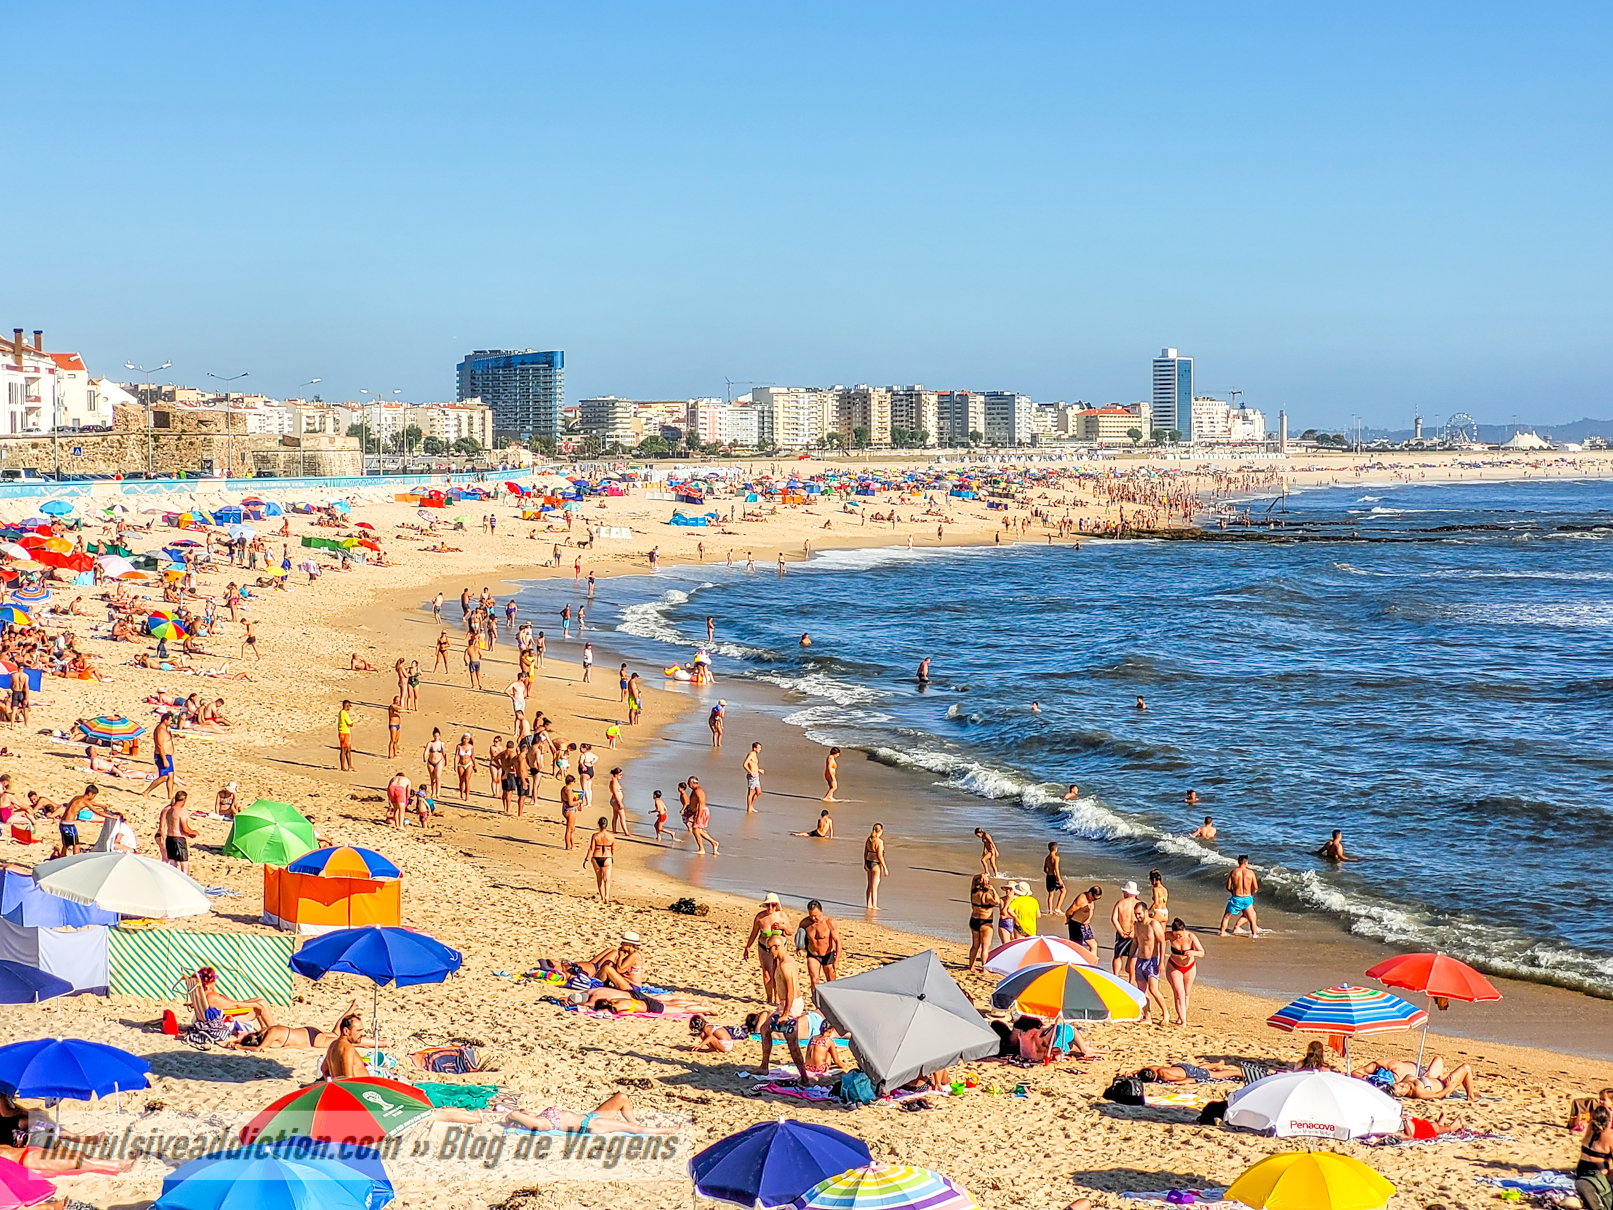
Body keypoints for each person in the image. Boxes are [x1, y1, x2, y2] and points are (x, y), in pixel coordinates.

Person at [754, 933, 811, 1083]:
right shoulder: (781, 961)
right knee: (765, 1029)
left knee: (791, 1041)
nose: (768, 952)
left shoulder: (786, 964)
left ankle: (804, 1077)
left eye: (769, 949)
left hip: (791, 1005)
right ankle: (764, 1066)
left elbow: (791, 990)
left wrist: (786, 1013)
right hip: (785, 1004)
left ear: (777, 947)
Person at [504, 1091, 675, 1137]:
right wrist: (512, 1116)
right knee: (631, 1128)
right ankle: (667, 1131)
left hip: (591, 1116)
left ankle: (636, 1123)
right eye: (523, 1113)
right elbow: (512, 1115)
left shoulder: (540, 1116)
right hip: (592, 1126)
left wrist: (524, 1113)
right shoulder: (543, 1124)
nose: (524, 1110)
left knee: (622, 1097)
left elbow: (517, 1115)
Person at [743, 892, 791, 999]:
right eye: (768, 905)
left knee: (778, 972)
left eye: (773, 905)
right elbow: (754, 933)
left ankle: (777, 996)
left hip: (779, 948)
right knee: (767, 973)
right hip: (764, 948)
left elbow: (790, 931)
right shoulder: (760, 917)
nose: (770, 907)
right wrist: (747, 947)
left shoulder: (782, 916)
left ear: (777, 905)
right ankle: (769, 997)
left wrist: (782, 926)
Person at [198, 966, 275, 1031]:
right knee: (261, 1005)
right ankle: (273, 1030)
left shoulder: (202, 994)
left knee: (261, 1001)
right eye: (214, 980)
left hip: (226, 1012)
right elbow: (236, 1005)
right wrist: (256, 1005)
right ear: (209, 983)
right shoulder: (212, 997)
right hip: (228, 1018)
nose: (215, 983)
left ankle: (264, 1028)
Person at [1165, 917, 1204, 1026]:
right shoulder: (1169, 935)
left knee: (1186, 993)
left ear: (1184, 930)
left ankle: (1181, 1016)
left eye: (1180, 935)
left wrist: (1193, 953)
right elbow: (1156, 938)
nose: (1178, 937)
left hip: (1189, 967)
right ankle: (1183, 1021)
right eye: (1176, 935)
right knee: (1179, 992)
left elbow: (1202, 952)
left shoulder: (1190, 936)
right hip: (1174, 966)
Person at [1132, 901, 1166, 1023]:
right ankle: (1148, 1016)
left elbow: (1162, 942)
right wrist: (1130, 958)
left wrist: (1161, 962)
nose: (1137, 916)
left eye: (1139, 914)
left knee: (1153, 989)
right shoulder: (1136, 925)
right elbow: (1135, 942)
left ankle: (1165, 1013)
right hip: (1140, 960)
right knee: (1141, 991)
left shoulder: (1153, 924)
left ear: (1146, 912)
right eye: (1136, 914)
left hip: (1152, 961)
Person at [1575, 1103, 1612, 1210]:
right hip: (1597, 1173)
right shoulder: (1610, 1137)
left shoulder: (1590, 1129)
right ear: (1609, 1120)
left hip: (1581, 1170)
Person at [800, 898, 841, 990]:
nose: (813, 918)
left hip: (828, 954)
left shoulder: (829, 922)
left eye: (816, 915)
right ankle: (816, 1001)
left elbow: (838, 942)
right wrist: (799, 948)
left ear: (821, 912)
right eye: (811, 915)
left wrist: (836, 960)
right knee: (814, 980)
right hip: (813, 954)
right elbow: (800, 937)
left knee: (831, 982)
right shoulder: (805, 923)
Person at [155, 790, 197, 874]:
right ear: (184, 800)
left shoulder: (168, 810)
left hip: (169, 838)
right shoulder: (181, 812)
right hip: (177, 839)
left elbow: (170, 826)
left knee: (172, 862)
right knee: (184, 863)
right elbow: (184, 828)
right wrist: (193, 832)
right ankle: (185, 881)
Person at [321, 1012, 369, 1079]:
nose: (362, 1034)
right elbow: (349, 1078)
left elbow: (324, 1069)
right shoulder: (348, 1049)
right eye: (358, 1030)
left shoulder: (333, 1045)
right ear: (346, 1031)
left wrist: (331, 1082)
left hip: (340, 1086)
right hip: (359, 1088)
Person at [1221, 855, 1260, 937]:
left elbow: (1228, 887)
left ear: (1238, 862)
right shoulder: (1251, 873)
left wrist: (1233, 892)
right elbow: (1255, 888)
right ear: (1246, 862)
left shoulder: (1234, 872)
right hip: (1247, 898)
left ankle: (1222, 933)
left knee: (1226, 917)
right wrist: (1251, 895)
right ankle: (1254, 935)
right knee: (1252, 919)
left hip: (1236, 897)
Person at [1396, 1064, 1481, 1101]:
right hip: (1444, 1086)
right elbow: (1438, 1095)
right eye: (1402, 1088)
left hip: (1432, 1078)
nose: (1403, 1085)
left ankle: (1444, 1073)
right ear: (1403, 1094)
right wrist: (1449, 1087)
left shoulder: (1405, 1081)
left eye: (1400, 1085)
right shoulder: (1418, 1091)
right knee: (1466, 1068)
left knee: (1438, 1059)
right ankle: (1470, 1096)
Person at [967, 874, 999, 973]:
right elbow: (997, 901)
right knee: (985, 946)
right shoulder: (986, 896)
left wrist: (981, 875)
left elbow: (973, 879)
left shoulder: (973, 892)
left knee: (975, 945)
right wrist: (993, 890)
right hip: (985, 922)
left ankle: (971, 966)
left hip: (974, 920)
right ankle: (984, 968)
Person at [142, 711, 178, 798]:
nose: (171, 722)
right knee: (164, 777)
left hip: (167, 755)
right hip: (162, 756)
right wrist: (164, 759)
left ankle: (170, 796)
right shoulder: (160, 730)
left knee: (171, 775)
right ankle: (146, 791)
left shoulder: (165, 729)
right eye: (170, 720)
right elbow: (160, 745)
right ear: (165, 720)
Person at [1118, 1060, 1243, 1085]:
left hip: (1187, 1073)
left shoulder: (1163, 1075)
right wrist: (1132, 1074)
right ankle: (1217, 1065)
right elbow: (1139, 1071)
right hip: (1181, 1067)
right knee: (1199, 1069)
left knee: (1214, 1075)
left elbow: (1180, 1079)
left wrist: (1189, 1082)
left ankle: (1238, 1072)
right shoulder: (1153, 1068)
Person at [1064, 885, 1102, 963]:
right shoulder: (1081, 899)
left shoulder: (1091, 901)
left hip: (1085, 926)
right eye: (1094, 898)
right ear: (1090, 893)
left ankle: (1091, 966)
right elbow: (1069, 911)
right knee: (1077, 947)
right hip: (1076, 924)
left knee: (1093, 945)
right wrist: (1068, 919)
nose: (1095, 900)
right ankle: (1075, 963)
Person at [1112, 881, 1140, 978]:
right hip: (1134, 934)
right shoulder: (1139, 905)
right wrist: (1134, 932)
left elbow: (1114, 919)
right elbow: (1142, 921)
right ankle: (1131, 979)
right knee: (1133, 957)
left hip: (1122, 932)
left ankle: (1115, 975)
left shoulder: (1121, 903)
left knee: (1118, 956)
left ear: (1127, 892)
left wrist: (1121, 932)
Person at [584, 817, 614, 903]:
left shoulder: (595, 836)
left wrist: (586, 860)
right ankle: (606, 896)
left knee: (599, 878)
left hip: (596, 857)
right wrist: (611, 856)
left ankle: (601, 896)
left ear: (599, 824)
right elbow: (613, 849)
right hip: (607, 857)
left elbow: (591, 849)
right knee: (607, 878)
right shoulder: (611, 836)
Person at [688, 776, 718, 854]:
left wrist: (698, 816)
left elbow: (701, 803)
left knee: (695, 830)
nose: (688, 784)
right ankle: (713, 843)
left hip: (702, 811)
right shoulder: (694, 790)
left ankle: (702, 849)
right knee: (698, 830)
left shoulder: (698, 791)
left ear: (692, 782)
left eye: (689, 783)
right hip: (698, 811)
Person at [863, 823, 889, 909]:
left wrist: (865, 863)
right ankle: (874, 905)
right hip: (875, 864)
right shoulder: (879, 842)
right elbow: (879, 856)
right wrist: (885, 867)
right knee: (875, 885)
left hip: (868, 861)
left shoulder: (869, 840)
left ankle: (868, 904)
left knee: (869, 885)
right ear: (880, 831)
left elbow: (865, 852)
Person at [1044, 842, 1066, 912]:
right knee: (1063, 891)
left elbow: (1045, 869)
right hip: (1054, 876)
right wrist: (1059, 879)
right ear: (1055, 849)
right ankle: (1057, 908)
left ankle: (1050, 911)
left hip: (1049, 876)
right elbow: (1056, 869)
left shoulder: (1047, 858)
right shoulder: (1056, 858)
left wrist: (1048, 872)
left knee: (1051, 894)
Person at [743, 742, 764, 812]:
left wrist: (759, 770)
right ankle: (749, 808)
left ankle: (751, 805)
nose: (760, 749)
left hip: (756, 775)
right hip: (752, 776)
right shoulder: (751, 754)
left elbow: (754, 765)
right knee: (751, 792)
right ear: (754, 748)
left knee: (759, 792)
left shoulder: (755, 754)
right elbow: (745, 764)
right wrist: (750, 771)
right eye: (759, 748)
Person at [335, 700, 355, 771]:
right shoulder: (344, 713)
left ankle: (350, 765)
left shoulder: (341, 713)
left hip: (344, 732)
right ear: (347, 706)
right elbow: (350, 723)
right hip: (344, 732)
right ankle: (343, 766)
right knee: (344, 750)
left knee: (348, 750)